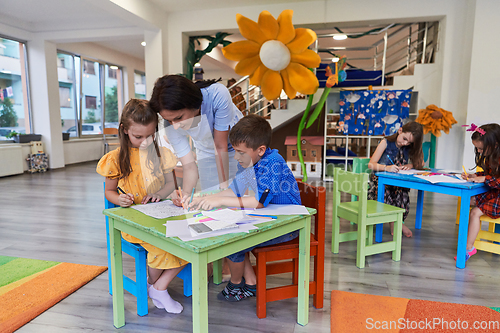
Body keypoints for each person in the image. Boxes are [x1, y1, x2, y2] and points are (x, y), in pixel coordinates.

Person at [188, 114, 302, 302]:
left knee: (233, 243)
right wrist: (209, 197)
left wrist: (219, 202)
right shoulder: (250, 162)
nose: (236, 156)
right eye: (235, 151)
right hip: (269, 219)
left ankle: (236, 284)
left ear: (261, 150)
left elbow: (258, 202)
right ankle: (249, 283)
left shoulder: (274, 163)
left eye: (241, 152)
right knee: (231, 235)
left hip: (288, 226)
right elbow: (236, 192)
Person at [96, 99, 187, 314]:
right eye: (139, 137)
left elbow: (169, 185)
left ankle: (156, 286)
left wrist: (161, 194)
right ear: (124, 130)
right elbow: (109, 192)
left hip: (160, 215)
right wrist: (120, 199)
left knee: (188, 239)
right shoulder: (115, 159)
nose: (145, 141)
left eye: (150, 135)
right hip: (134, 222)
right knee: (161, 245)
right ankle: (159, 288)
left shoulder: (162, 154)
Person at [150, 75, 243, 196]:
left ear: (194, 105)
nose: (175, 126)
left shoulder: (217, 94)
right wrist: (186, 195)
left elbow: (220, 146)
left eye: (179, 118)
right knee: (210, 196)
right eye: (169, 120)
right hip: (206, 148)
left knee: (236, 196)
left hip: (238, 146)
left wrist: (223, 188)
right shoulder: (171, 123)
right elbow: (189, 166)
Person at [367, 121, 424, 238]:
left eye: (409, 142)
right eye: (404, 138)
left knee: (403, 195)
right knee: (386, 193)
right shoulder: (385, 142)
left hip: (397, 183)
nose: (405, 143)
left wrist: (410, 166)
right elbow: (371, 164)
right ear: (400, 130)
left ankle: (397, 221)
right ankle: (395, 222)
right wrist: (386, 168)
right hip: (379, 181)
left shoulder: (408, 147)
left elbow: (421, 163)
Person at [459, 123, 500, 263]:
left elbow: (494, 178)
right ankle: (468, 242)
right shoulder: (491, 155)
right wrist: (474, 175)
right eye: (477, 148)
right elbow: (490, 174)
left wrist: (485, 178)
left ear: (494, 144)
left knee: (475, 212)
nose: (479, 151)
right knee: (469, 201)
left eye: (481, 148)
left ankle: (468, 248)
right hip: (495, 192)